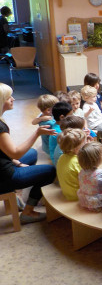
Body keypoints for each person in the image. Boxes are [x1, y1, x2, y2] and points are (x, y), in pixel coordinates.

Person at [0, 83, 56, 224]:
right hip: (4, 176)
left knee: (32, 153)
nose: (13, 99)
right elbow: (15, 153)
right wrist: (37, 133)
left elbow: (7, 153)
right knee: (50, 171)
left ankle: (17, 193)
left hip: (4, 164)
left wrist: (17, 162)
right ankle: (28, 212)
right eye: (8, 97)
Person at [81, 85, 102, 152]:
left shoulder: (94, 104)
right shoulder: (86, 106)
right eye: (93, 96)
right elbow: (84, 116)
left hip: (100, 122)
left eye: (96, 96)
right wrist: (89, 111)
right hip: (94, 124)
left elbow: (100, 113)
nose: (95, 98)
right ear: (86, 97)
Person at [57, 128, 87, 201]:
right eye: (84, 144)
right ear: (75, 148)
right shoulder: (79, 161)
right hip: (77, 196)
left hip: (67, 193)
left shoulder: (62, 156)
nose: (86, 144)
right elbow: (88, 178)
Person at [77, 142, 102, 212]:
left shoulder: (81, 171)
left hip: (84, 200)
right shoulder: (101, 173)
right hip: (97, 203)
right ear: (97, 159)